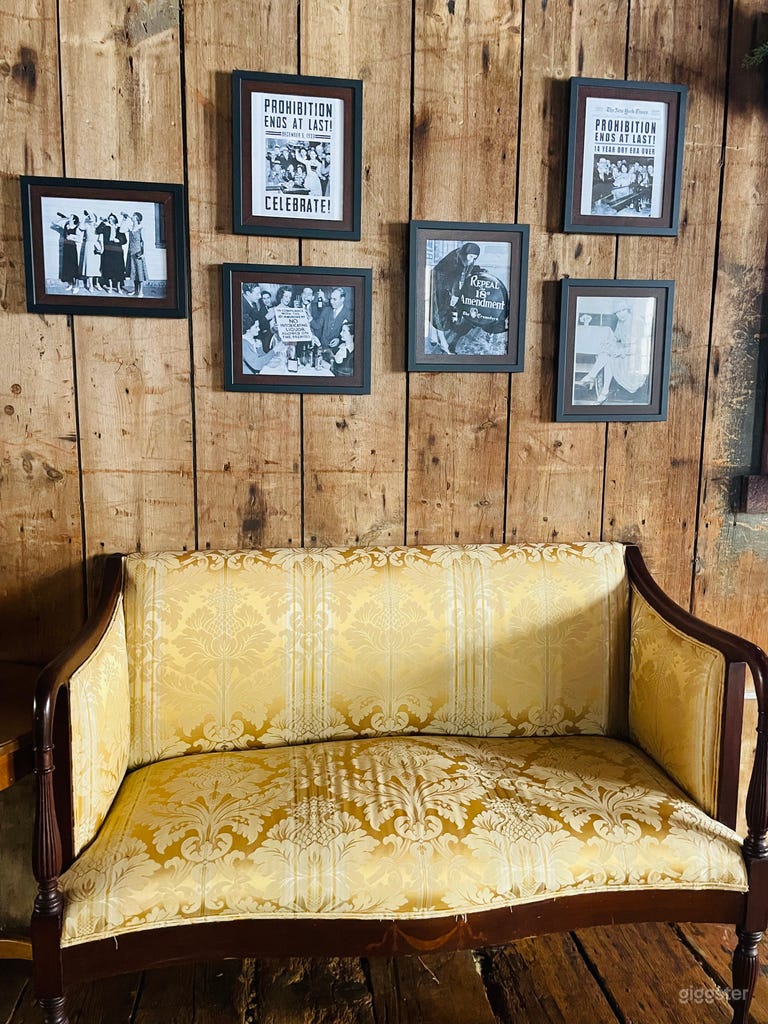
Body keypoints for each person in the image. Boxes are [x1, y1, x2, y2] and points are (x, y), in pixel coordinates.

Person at [579, 302, 650, 404]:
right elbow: (617, 336)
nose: (621, 314)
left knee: (610, 356)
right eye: (618, 312)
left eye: (623, 310)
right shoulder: (621, 321)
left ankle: (594, 380)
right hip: (626, 351)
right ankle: (601, 388)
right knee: (607, 351)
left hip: (635, 358)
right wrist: (609, 343)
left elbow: (640, 347)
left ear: (628, 310)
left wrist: (621, 351)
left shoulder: (637, 322)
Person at [429, 242, 481, 353]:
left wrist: (477, 270)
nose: (472, 260)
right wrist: (454, 295)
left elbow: (466, 271)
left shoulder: (467, 258)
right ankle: (443, 344)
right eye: (471, 257)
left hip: (449, 283)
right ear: (466, 253)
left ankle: (434, 337)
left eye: (474, 258)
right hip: (439, 282)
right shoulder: (454, 260)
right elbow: (454, 279)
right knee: (440, 310)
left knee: (441, 311)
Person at [96, 213, 127, 293]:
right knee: (108, 270)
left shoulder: (119, 228)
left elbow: (125, 240)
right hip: (108, 251)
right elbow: (97, 230)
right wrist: (103, 222)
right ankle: (109, 287)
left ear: (115, 220)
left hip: (118, 252)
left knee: (118, 270)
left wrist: (119, 241)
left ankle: (118, 288)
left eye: (112, 218)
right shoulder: (106, 227)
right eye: (109, 218)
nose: (110, 219)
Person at [51, 212, 81, 292]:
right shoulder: (65, 225)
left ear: (74, 219)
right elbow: (53, 223)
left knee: (73, 266)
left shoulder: (76, 228)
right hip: (66, 248)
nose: (69, 217)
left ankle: (76, 286)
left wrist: (71, 237)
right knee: (67, 267)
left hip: (72, 248)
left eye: (71, 216)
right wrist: (62, 218)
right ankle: (70, 284)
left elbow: (79, 239)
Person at [123, 212, 148, 296]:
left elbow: (143, 241)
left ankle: (141, 291)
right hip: (131, 252)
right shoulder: (131, 227)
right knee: (133, 272)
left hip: (138, 252)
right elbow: (121, 230)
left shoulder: (141, 228)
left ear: (137, 218)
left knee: (139, 272)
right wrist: (124, 219)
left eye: (134, 215)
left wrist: (143, 253)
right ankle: (136, 290)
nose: (132, 216)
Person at [78, 211, 102, 291]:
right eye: (89, 216)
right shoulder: (86, 225)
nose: (90, 217)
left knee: (97, 266)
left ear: (95, 217)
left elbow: (101, 236)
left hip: (96, 245)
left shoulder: (98, 225)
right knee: (89, 265)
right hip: (88, 245)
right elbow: (80, 227)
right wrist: (85, 217)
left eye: (92, 216)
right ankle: (90, 285)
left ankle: (97, 283)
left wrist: (101, 247)